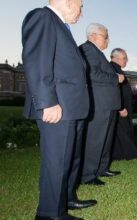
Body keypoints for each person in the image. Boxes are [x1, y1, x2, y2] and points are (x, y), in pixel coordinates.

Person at [21, 0, 96, 219]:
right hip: (58, 106)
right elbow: (37, 61)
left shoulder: (61, 26)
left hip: (72, 106)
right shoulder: (43, 17)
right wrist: (47, 102)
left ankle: (67, 199)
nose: (81, 13)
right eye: (80, 6)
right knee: (57, 160)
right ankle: (50, 213)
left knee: (71, 157)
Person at [79, 23, 124, 185]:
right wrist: (115, 78)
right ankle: (88, 175)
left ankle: (102, 168)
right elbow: (91, 74)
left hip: (108, 104)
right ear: (93, 36)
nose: (108, 40)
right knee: (95, 139)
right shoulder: (87, 50)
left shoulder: (97, 52)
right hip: (99, 104)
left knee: (106, 139)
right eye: (105, 36)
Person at [110, 48, 137, 160]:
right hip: (120, 107)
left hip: (122, 106)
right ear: (116, 58)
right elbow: (114, 90)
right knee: (124, 131)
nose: (126, 60)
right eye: (124, 58)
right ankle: (131, 153)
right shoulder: (112, 69)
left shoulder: (117, 69)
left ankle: (120, 154)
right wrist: (120, 107)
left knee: (121, 131)